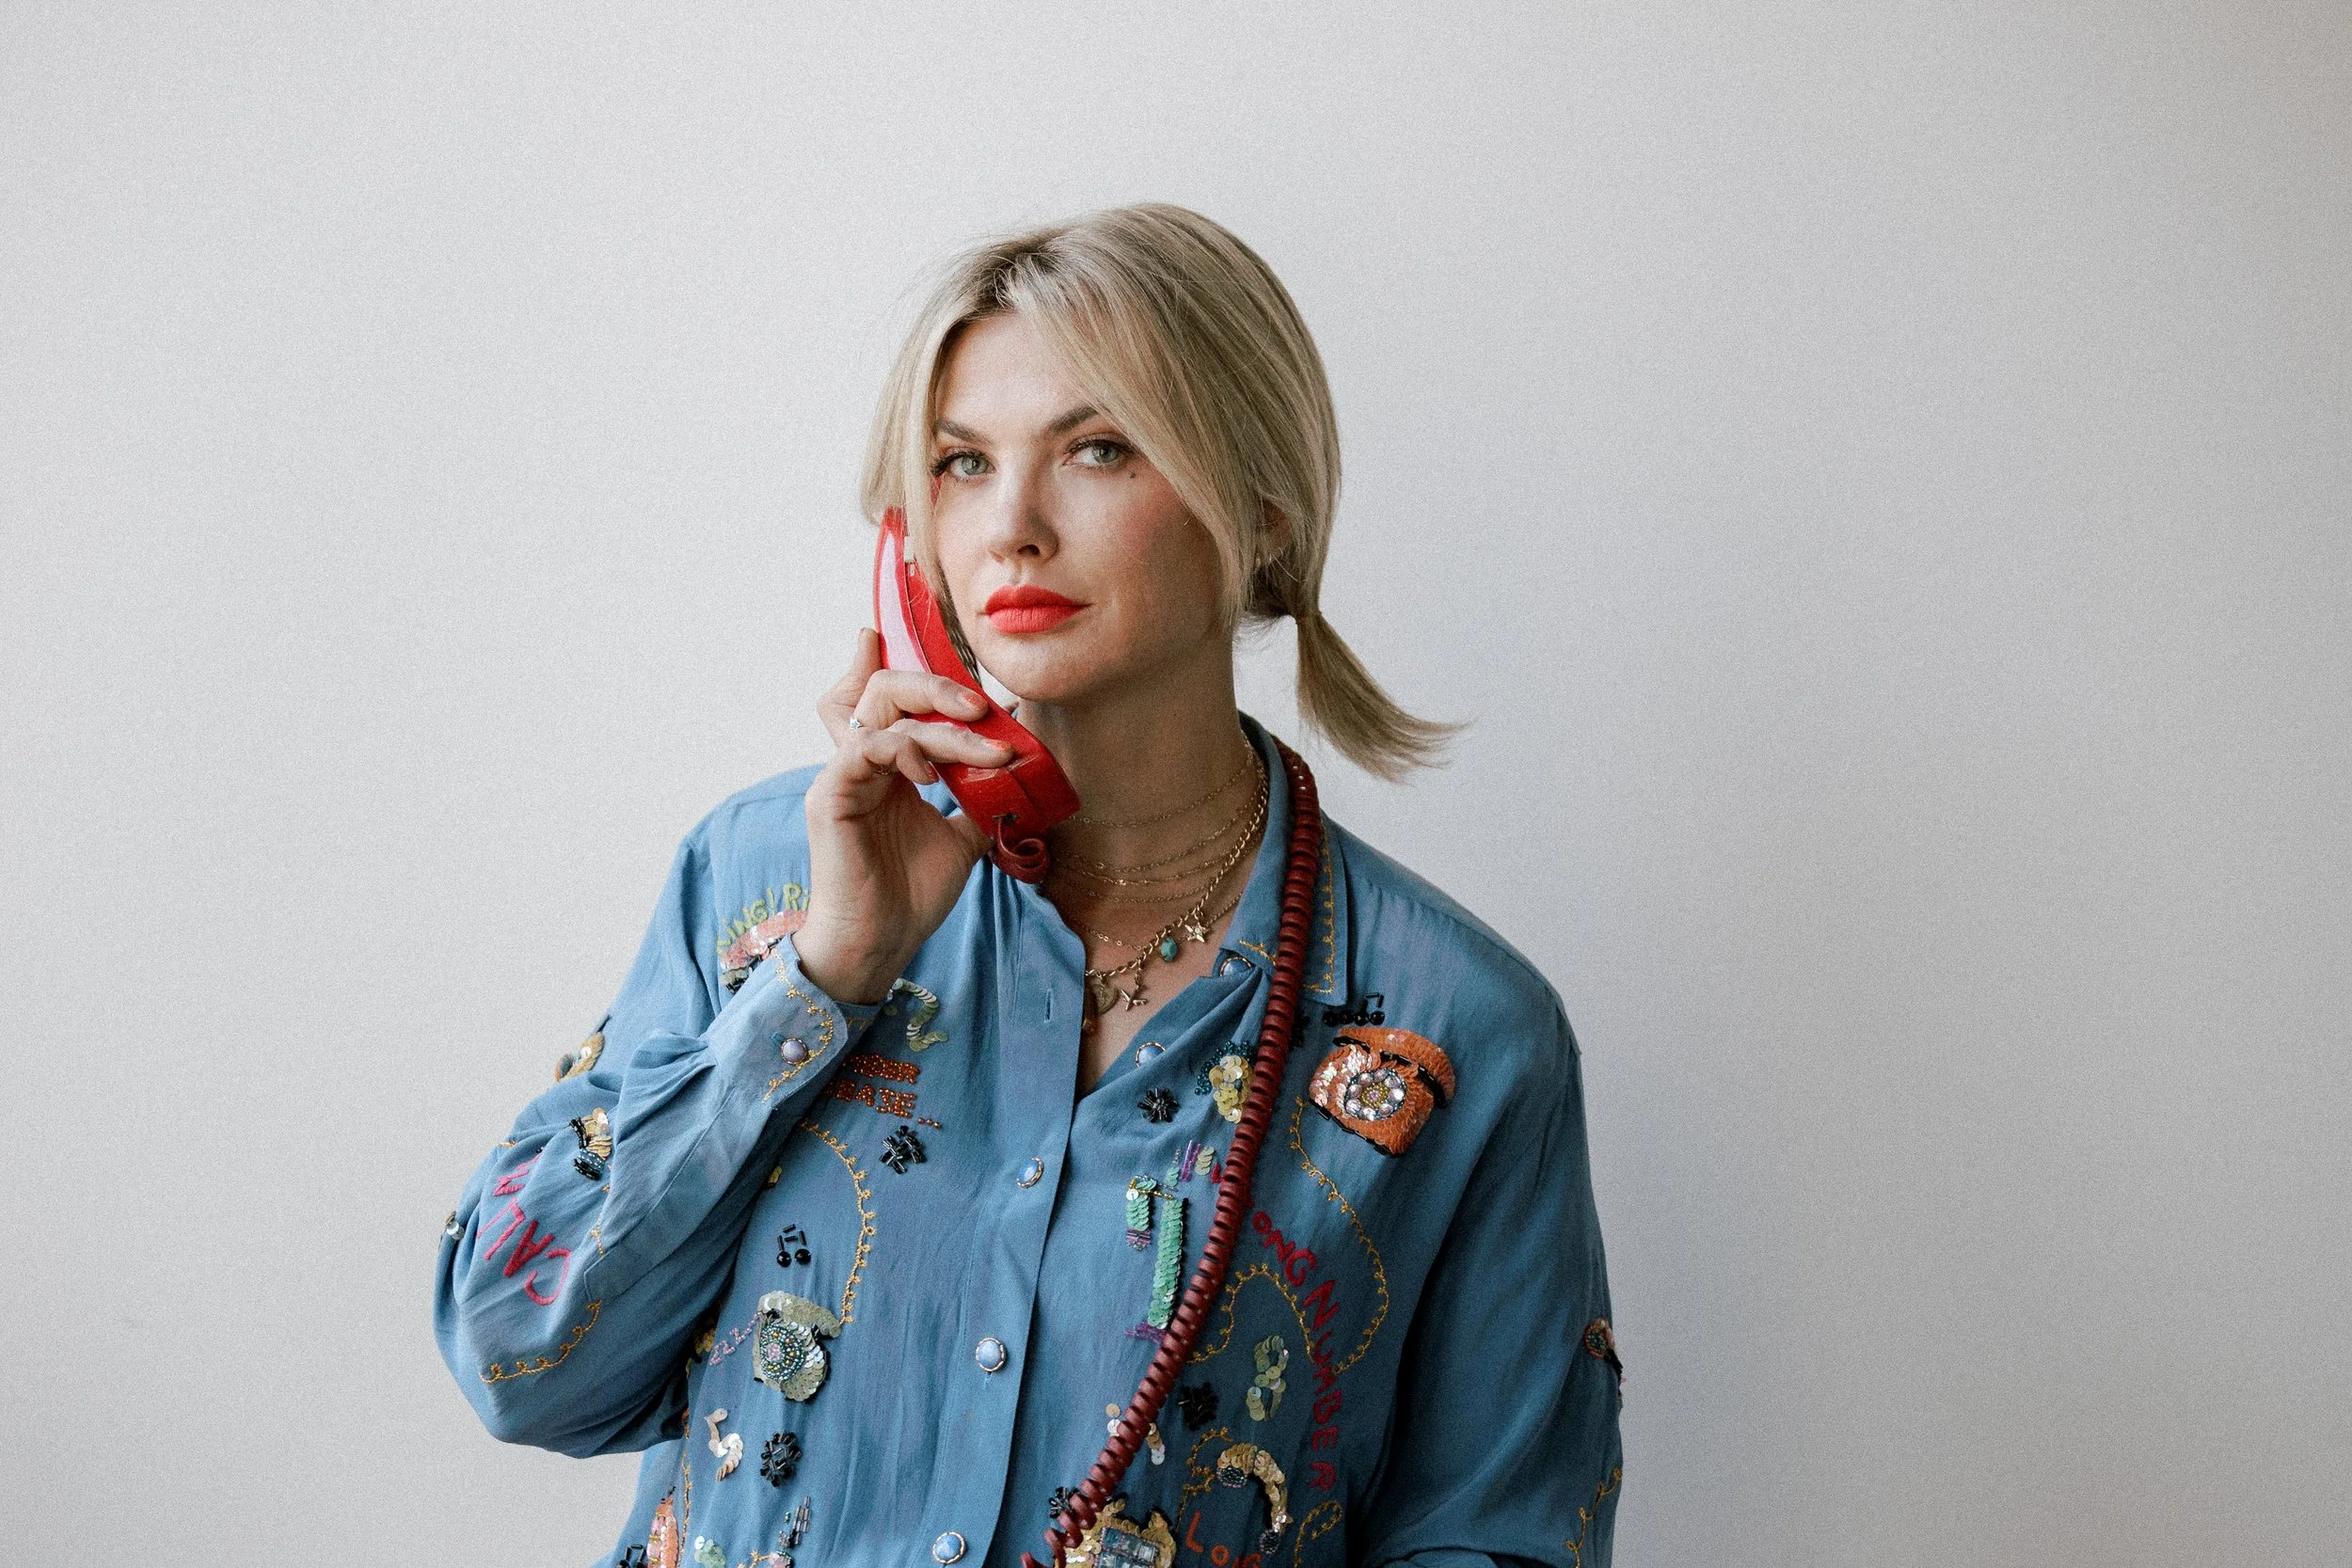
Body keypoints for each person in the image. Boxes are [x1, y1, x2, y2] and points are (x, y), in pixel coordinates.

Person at [435, 202, 1622, 1568]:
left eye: (1098, 449)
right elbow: (521, 1360)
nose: (1012, 526)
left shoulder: (1459, 1029)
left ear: (1261, 513)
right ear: (907, 533)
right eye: (959, 464)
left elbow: (1501, 1536)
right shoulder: (763, 883)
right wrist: (823, 977)